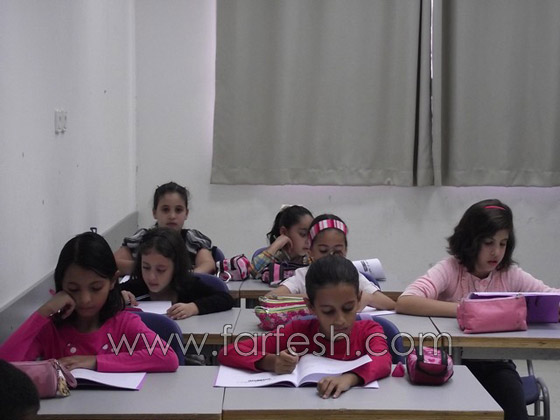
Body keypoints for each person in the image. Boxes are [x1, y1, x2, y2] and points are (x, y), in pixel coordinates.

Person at [396, 198, 560, 420]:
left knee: (513, 406)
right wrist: (465, 310)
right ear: (471, 241)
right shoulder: (451, 268)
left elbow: (551, 296)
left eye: (503, 244)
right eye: (488, 243)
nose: (496, 252)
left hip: (496, 363)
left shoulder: (509, 273)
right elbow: (406, 301)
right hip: (452, 364)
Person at [0, 232, 178, 372]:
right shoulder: (50, 329)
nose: (85, 299)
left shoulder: (123, 324)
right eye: (73, 289)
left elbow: (168, 357)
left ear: (113, 281)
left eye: (96, 288)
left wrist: (95, 362)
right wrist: (43, 312)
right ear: (61, 285)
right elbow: (5, 368)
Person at [219, 255, 392, 398]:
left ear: (359, 299)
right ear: (311, 307)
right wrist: (271, 362)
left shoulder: (369, 330)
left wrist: (350, 378)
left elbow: (383, 360)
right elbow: (228, 352)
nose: (340, 320)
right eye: (328, 311)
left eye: (348, 308)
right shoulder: (297, 332)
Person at [268, 214, 395, 311]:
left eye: (338, 251)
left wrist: (369, 298)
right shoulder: (302, 276)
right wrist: (312, 298)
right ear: (310, 251)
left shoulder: (351, 275)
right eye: (323, 250)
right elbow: (270, 298)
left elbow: (391, 304)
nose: (331, 257)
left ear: (346, 251)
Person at [121, 227, 234, 319]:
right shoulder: (137, 285)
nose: (151, 277)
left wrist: (194, 308)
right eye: (146, 267)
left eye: (161, 270)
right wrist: (119, 297)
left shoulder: (188, 285)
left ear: (176, 267)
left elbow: (225, 299)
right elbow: (113, 293)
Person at [114, 181, 216, 275]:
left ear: (186, 213)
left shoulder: (192, 239)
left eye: (178, 210)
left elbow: (208, 264)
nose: (172, 216)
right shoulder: (142, 238)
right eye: (165, 210)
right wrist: (147, 268)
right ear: (154, 213)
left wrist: (182, 276)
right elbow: (113, 262)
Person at [250, 205, 313, 278]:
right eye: (303, 234)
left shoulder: (310, 258)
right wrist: (275, 246)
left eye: (311, 235)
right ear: (284, 232)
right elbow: (252, 271)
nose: (308, 241)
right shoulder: (275, 258)